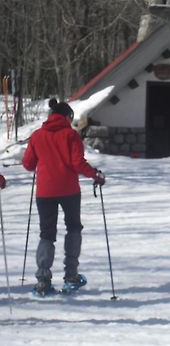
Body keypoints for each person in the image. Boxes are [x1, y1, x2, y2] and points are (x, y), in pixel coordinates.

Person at [22, 98, 105, 296]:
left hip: (45, 191)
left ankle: (43, 281)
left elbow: (27, 164)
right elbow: (77, 163)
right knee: (73, 228)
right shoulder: (71, 135)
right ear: (67, 116)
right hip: (69, 190)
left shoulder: (37, 135)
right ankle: (70, 276)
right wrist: (95, 174)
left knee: (47, 233)